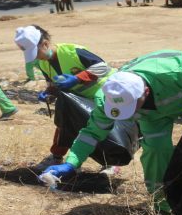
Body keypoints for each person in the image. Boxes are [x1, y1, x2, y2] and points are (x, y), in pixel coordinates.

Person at [42, 51, 182, 215]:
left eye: (131, 107)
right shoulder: (109, 96)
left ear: (146, 92)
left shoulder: (173, 71)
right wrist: (71, 162)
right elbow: (91, 133)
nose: (130, 115)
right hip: (154, 117)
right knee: (156, 151)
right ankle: (163, 203)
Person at [14, 25, 116, 171]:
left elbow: (102, 67)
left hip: (103, 93)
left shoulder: (72, 51)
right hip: (79, 98)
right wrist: (50, 93)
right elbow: (54, 84)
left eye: (36, 52)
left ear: (45, 44)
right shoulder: (43, 63)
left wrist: (77, 78)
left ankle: (111, 163)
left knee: (102, 127)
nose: (36, 57)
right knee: (64, 122)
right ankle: (56, 157)